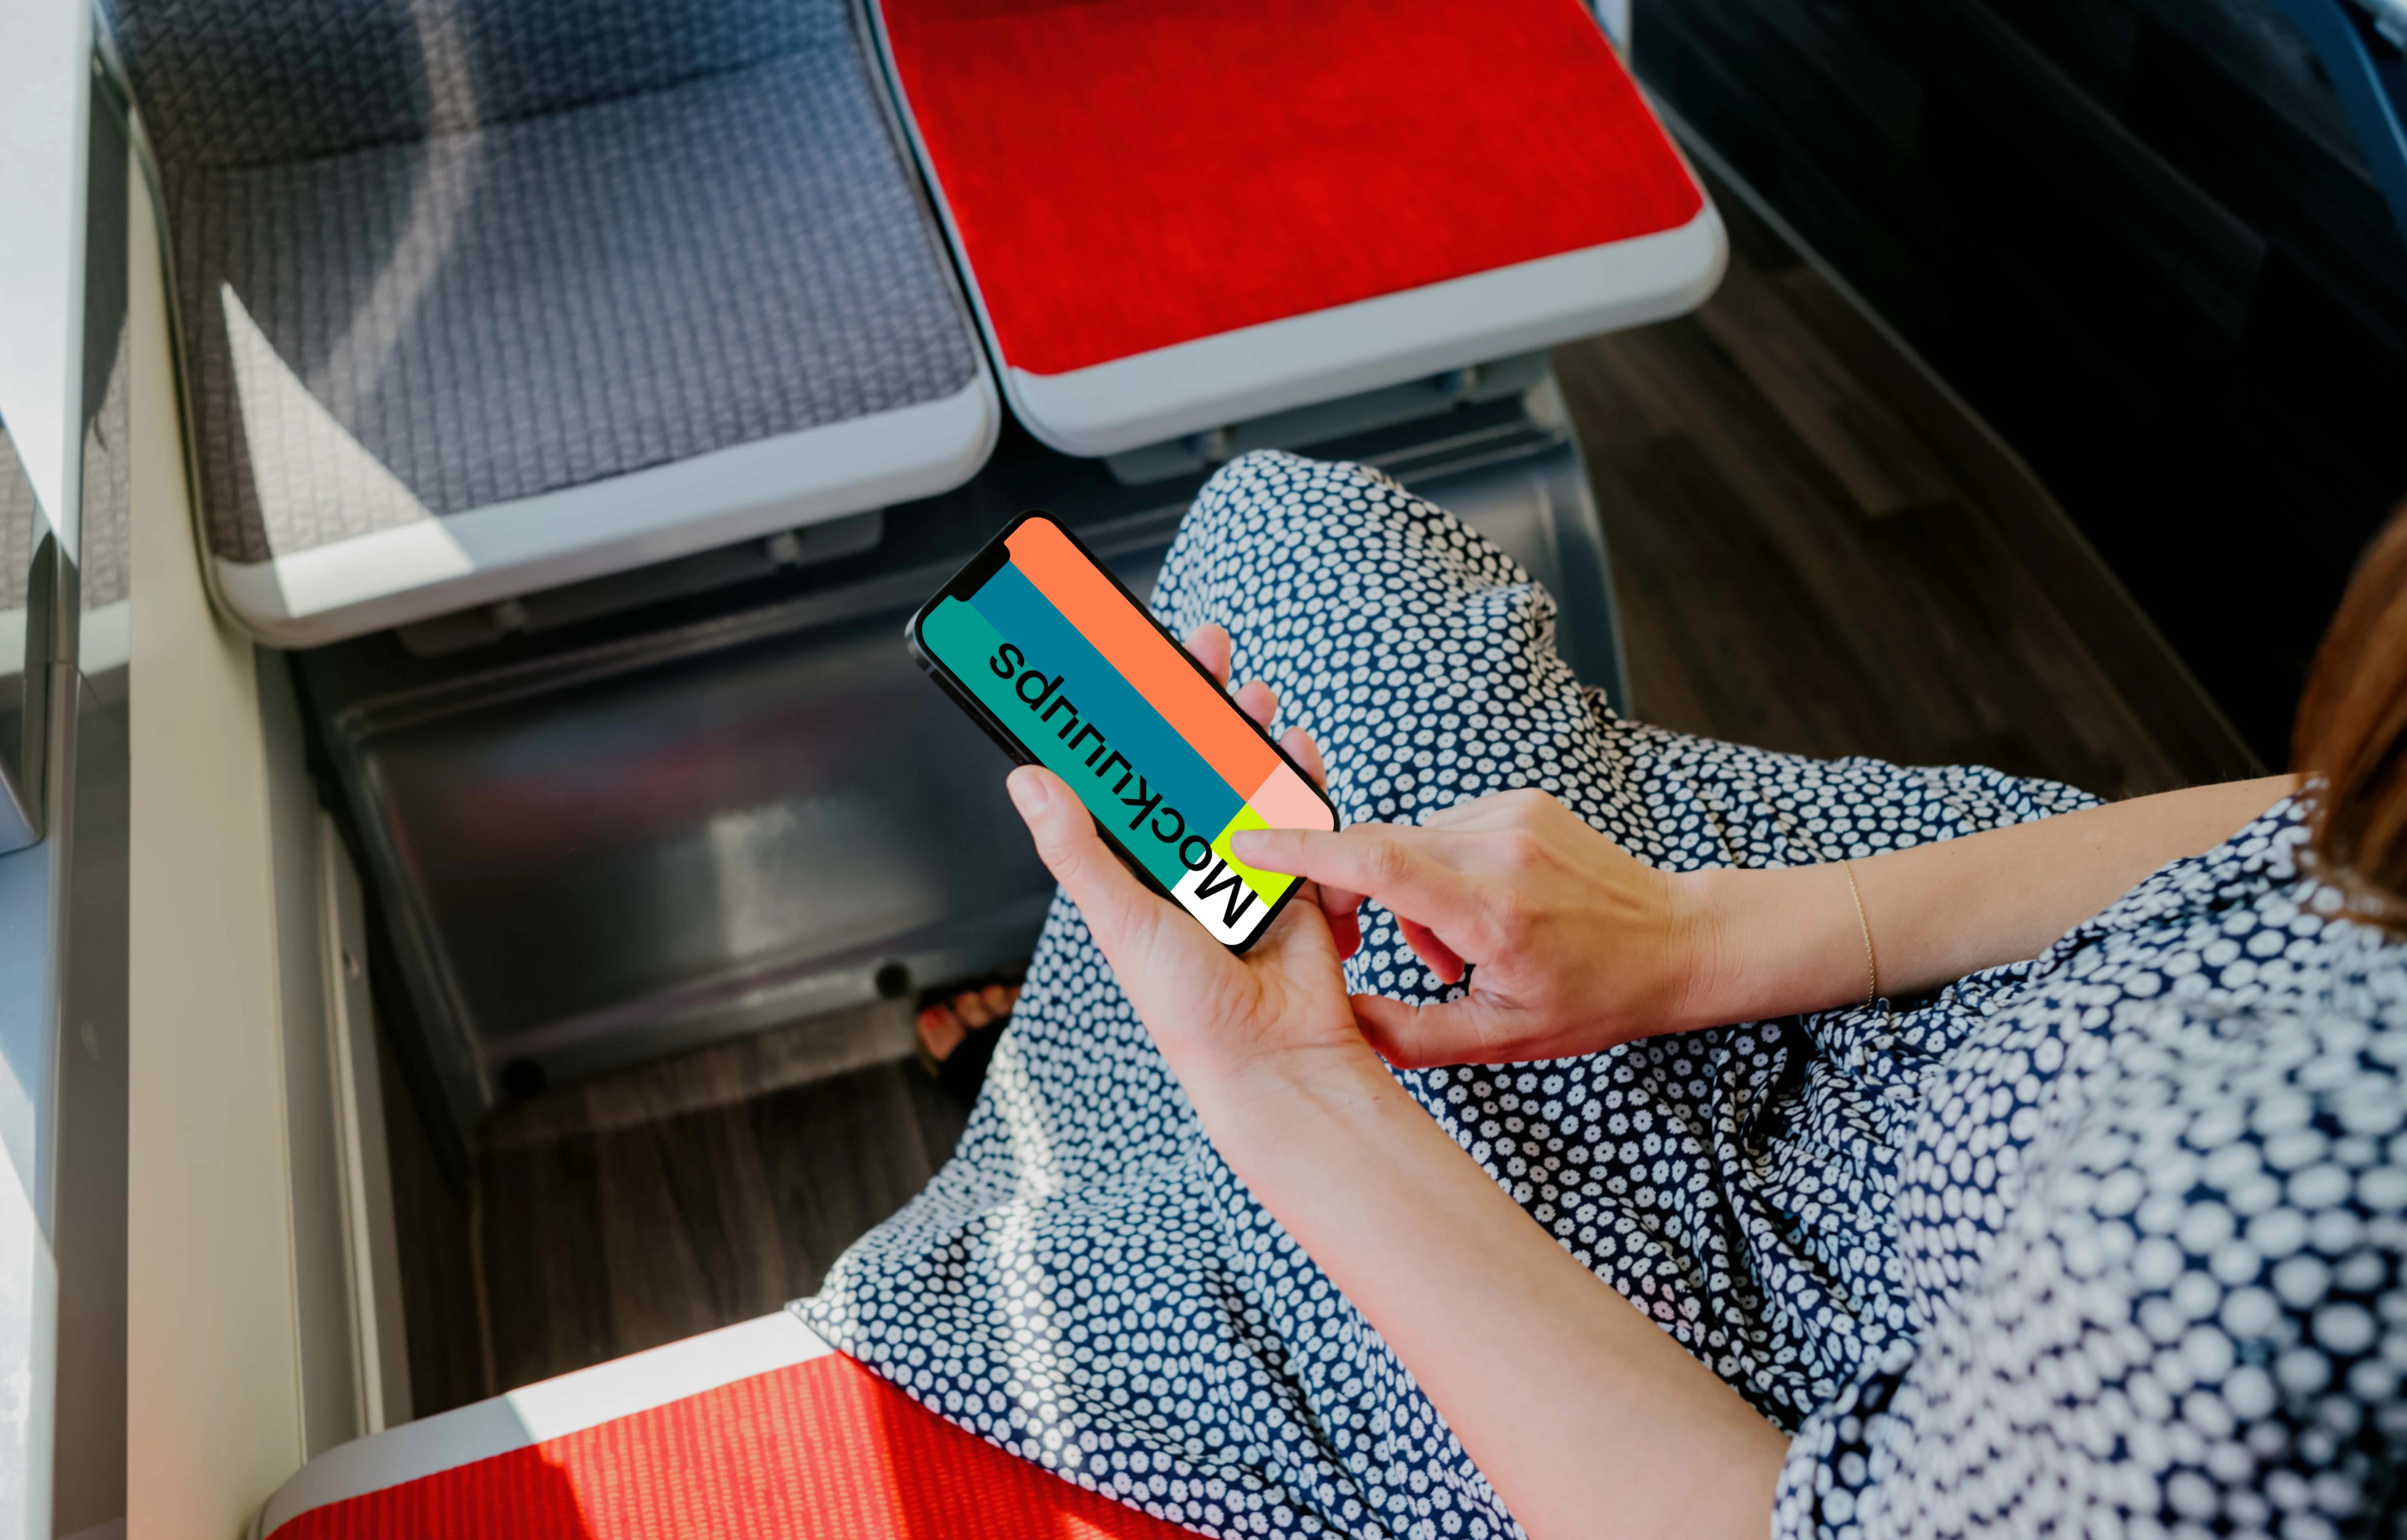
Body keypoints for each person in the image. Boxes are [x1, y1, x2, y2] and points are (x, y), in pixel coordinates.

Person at [805, 451, 2407, 1539]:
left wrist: (1290, 1088)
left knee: (1168, 1144)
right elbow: (2303, 822)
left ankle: (1122, 1083)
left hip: (1757, 1340)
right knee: (1295, 533)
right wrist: (1693, 942)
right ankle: (1117, 1066)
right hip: (1940, 961)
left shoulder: (2278, 1261)